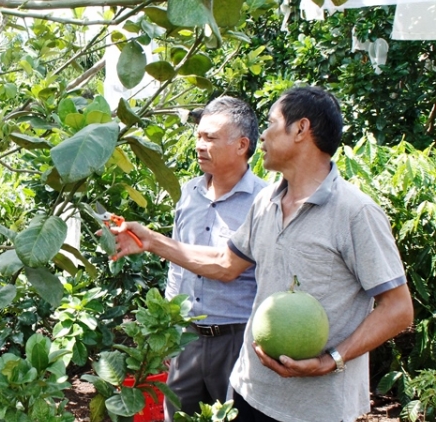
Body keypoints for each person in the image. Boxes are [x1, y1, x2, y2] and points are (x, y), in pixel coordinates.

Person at [112, 86, 414, 422]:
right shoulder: (265, 202)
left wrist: (333, 359)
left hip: (315, 407)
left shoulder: (355, 212)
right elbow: (225, 265)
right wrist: (151, 240)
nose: (263, 136)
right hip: (252, 391)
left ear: (301, 129)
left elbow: (399, 308)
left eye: (271, 124)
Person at [162, 96, 266, 420]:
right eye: (199, 136)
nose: (200, 145)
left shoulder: (263, 202)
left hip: (236, 341)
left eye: (211, 138)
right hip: (188, 338)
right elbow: (177, 264)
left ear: (241, 145)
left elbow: (241, 270)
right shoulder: (189, 194)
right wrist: (169, 328)